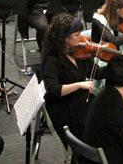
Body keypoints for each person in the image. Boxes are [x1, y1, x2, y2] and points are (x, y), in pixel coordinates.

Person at [39, 13, 105, 142]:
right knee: (92, 130)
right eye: (77, 35)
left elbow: (97, 73)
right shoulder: (52, 60)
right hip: (62, 106)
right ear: (65, 38)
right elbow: (53, 90)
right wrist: (79, 85)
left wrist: (117, 61)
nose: (82, 37)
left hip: (81, 99)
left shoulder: (79, 52)